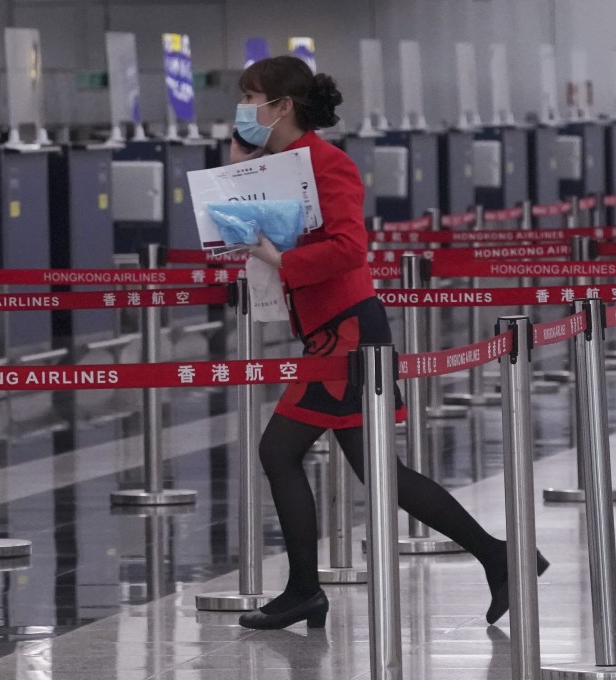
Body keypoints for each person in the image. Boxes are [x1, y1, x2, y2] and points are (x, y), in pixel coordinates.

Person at [228, 56, 547, 631]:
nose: (244, 109)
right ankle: (499, 556)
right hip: (329, 330)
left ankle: (304, 589)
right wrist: (238, 173)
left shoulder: (330, 165)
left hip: (346, 333)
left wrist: (284, 260)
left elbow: (350, 248)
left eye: (253, 98)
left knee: (278, 452)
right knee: (382, 474)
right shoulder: (275, 164)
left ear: (283, 106)